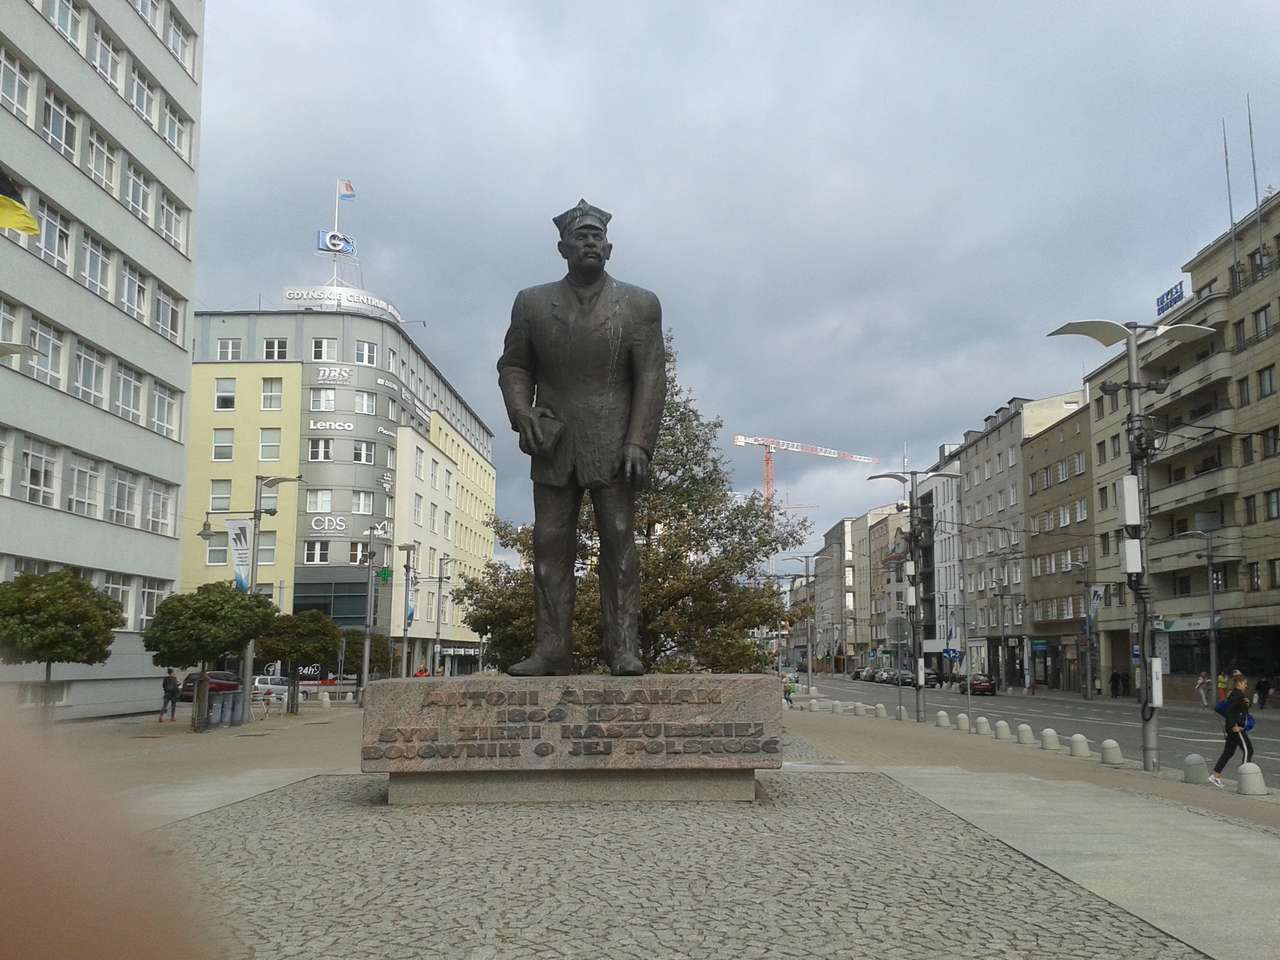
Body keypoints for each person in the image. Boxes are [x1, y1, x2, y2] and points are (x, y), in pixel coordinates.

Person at [497, 199, 666, 677]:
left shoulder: (639, 303)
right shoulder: (531, 302)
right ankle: (551, 649)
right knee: (550, 545)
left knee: (618, 542)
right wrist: (520, 411)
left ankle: (624, 648)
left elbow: (651, 376)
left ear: (609, 248)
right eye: (580, 237)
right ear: (562, 247)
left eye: (596, 237)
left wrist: (639, 442)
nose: (590, 244)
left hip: (616, 443)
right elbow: (514, 365)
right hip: (553, 442)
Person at [1209, 674, 1253, 787]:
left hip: (1233, 727)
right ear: (1239, 683)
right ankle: (1246, 780)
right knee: (1248, 750)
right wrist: (1234, 725)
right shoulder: (1237, 695)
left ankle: (1215, 776)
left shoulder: (1237, 695)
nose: (1246, 685)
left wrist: (1247, 703)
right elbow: (1230, 711)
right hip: (1236, 728)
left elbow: (1239, 709)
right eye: (1245, 683)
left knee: (1228, 752)